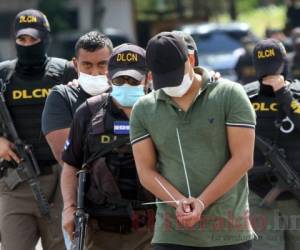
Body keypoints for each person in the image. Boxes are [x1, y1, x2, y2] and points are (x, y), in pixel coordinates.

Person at [130, 31, 256, 249]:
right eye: (164, 79)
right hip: (172, 235)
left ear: (190, 59)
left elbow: (243, 159)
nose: (171, 86)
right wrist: (178, 201)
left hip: (229, 233)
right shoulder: (143, 109)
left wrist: (202, 202)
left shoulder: (230, 94)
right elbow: (146, 171)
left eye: (174, 76)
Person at [61, 43, 154, 250]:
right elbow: (71, 165)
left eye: (133, 79)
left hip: (150, 230)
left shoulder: (161, 112)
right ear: (109, 78)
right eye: (120, 79)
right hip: (100, 230)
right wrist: (69, 208)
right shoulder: (88, 112)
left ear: (148, 78)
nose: (126, 84)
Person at [0, 9, 76, 250]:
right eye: (22, 39)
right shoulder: (3, 74)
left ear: (46, 38)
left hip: (61, 182)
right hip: (16, 181)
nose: (27, 44)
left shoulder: (64, 71)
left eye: (33, 39)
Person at [42, 30, 113, 249]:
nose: (95, 72)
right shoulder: (62, 96)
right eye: (87, 65)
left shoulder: (125, 96)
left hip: (130, 208)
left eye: (102, 64)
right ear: (75, 64)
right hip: (84, 206)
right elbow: (67, 157)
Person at [244, 39, 300, 250]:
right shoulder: (245, 96)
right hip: (258, 193)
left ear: (284, 64)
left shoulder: (296, 94)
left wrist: (284, 95)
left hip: (295, 196)